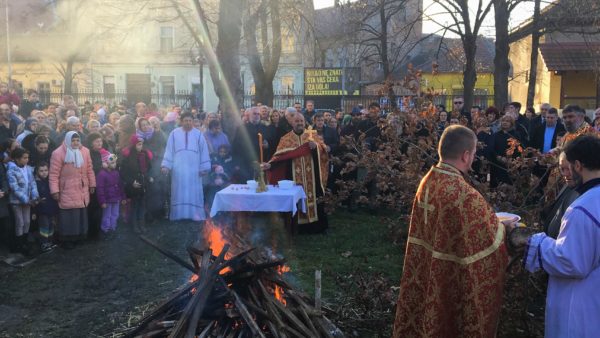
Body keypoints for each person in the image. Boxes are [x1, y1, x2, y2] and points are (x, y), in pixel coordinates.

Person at [393, 125, 511, 338]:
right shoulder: (464, 195)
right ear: (466, 155)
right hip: (450, 279)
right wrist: (504, 228)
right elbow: (487, 241)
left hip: (427, 271)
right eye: (474, 154)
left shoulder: (427, 183)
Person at [512, 135, 600, 338]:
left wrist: (533, 242)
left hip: (580, 307)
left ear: (578, 165)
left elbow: (571, 261)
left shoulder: (582, 208)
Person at [261, 113, 329, 233]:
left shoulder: (312, 135)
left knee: (315, 197)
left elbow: (323, 151)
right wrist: (270, 165)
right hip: (293, 175)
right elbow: (280, 157)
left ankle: (315, 226)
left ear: (304, 122)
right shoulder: (286, 138)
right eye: (297, 121)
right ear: (292, 123)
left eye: (301, 121)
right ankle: (297, 227)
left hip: (312, 176)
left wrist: (316, 147)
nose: (299, 123)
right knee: (295, 199)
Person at [49, 131, 96, 249]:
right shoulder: (58, 153)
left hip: (82, 188)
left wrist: (92, 184)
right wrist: (54, 190)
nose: (75, 142)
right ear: (68, 140)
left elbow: (90, 169)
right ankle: (67, 239)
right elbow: (53, 174)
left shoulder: (85, 151)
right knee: (68, 214)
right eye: (73, 140)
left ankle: (80, 237)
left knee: (80, 214)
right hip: (67, 188)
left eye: (77, 140)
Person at [161, 112, 211, 221]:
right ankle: (179, 216)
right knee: (179, 191)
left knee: (193, 191)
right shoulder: (174, 134)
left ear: (193, 122)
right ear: (181, 121)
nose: (188, 123)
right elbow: (169, 151)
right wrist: (166, 165)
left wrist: (204, 168)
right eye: (185, 121)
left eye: (190, 121)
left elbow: (204, 152)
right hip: (179, 170)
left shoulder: (198, 135)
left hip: (194, 170)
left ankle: (195, 216)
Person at [7, 147, 39, 255]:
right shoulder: (11, 170)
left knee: (27, 221)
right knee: (19, 222)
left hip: (28, 200)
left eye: (27, 157)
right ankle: (19, 244)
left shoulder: (28, 168)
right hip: (17, 201)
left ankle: (25, 242)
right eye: (24, 158)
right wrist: (26, 199)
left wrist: (35, 197)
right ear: (17, 158)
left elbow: (32, 183)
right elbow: (14, 187)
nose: (27, 160)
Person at [541, 152, 579, 239]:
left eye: (569, 168)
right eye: (562, 169)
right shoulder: (567, 186)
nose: (565, 174)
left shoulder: (582, 194)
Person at [121, 135, 153, 232]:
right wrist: (131, 182)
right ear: (134, 144)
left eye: (141, 144)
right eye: (138, 144)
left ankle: (141, 224)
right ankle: (134, 225)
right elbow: (124, 172)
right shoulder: (128, 156)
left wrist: (149, 177)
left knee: (142, 205)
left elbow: (148, 169)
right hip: (134, 185)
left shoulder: (144, 154)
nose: (140, 146)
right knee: (134, 206)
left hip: (143, 183)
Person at [96, 152, 125, 234]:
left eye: (115, 162)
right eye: (112, 162)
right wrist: (102, 201)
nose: (114, 164)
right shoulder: (101, 174)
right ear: (106, 163)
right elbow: (100, 189)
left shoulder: (116, 173)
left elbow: (120, 186)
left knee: (115, 214)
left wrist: (123, 197)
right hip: (107, 200)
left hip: (116, 198)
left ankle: (113, 228)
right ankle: (106, 230)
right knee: (107, 216)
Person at [33, 162, 59, 252]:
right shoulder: (36, 183)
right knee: (44, 227)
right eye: (41, 171)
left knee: (51, 225)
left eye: (46, 170)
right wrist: (34, 211)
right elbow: (35, 198)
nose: (44, 173)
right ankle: (43, 243)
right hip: (42, 210)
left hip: (51, 208)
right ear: (37, 171)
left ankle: (50, 242)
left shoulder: (50, 181)